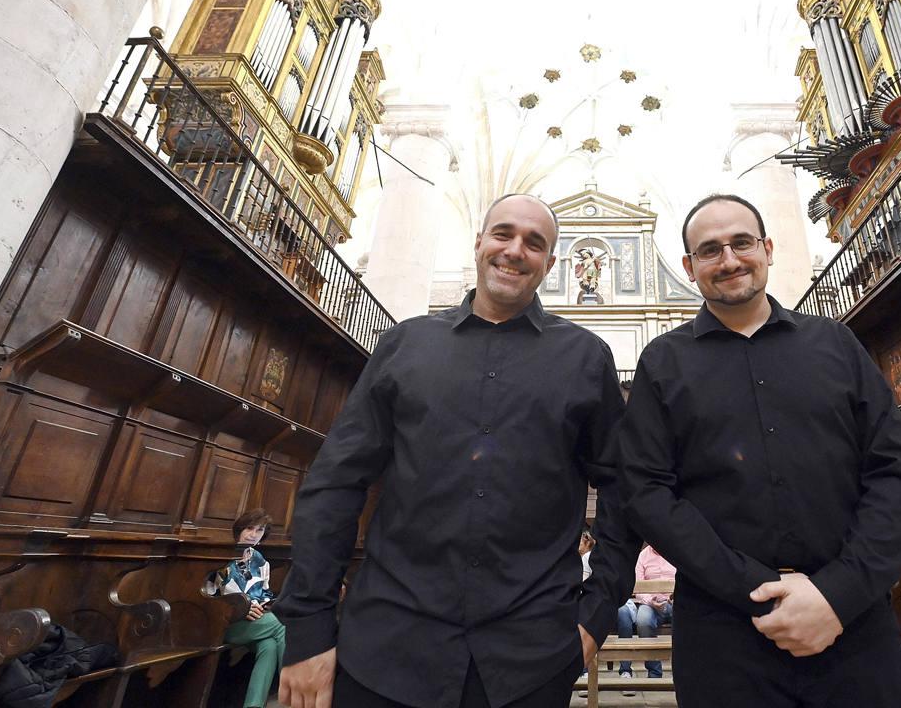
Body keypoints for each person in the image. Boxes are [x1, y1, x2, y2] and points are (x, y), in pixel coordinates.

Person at [274, 193, 639, 708]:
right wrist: (309, 628)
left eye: (534, 243)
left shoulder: (584, 357)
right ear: (479, 243)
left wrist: (596, 614)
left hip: (528, 658)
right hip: (386, 647)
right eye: (503, 234)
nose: (515, 250)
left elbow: (624, 487)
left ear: (552, 263)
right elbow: (336, 483)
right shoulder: (406, 344)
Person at [619, 194, 901, 708]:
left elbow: (897, 472)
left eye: (742, 243)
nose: (730, 259)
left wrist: (838, 593)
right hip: (724, 637)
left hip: (852, 625)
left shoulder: (835, 344)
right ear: (690, 267)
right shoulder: (663, 362)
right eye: (711, 250)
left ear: (767, 247)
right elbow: (648, 492)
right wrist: (753, 586)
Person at [205, 509, 287, 708]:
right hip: (223, 624)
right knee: (282, 626)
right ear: (239, 529)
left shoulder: (259, 560)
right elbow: (210, 597)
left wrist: (260, 605)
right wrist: (242, 609)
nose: (253, 534)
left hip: (254, 623)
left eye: (259, 530)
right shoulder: (219, 557)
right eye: (249, 528)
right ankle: (296, 692)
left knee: (269, 646)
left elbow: (266, 593)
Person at [615, 544, 675, 694]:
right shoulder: (643, 556)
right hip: (651, 603)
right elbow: (637, 586)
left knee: (688, 618)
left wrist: (676, 597)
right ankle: (654, 672)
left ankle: (682, 670)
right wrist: (651, 600)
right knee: (643, 619)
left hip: (675, 601)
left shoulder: (675, 551)